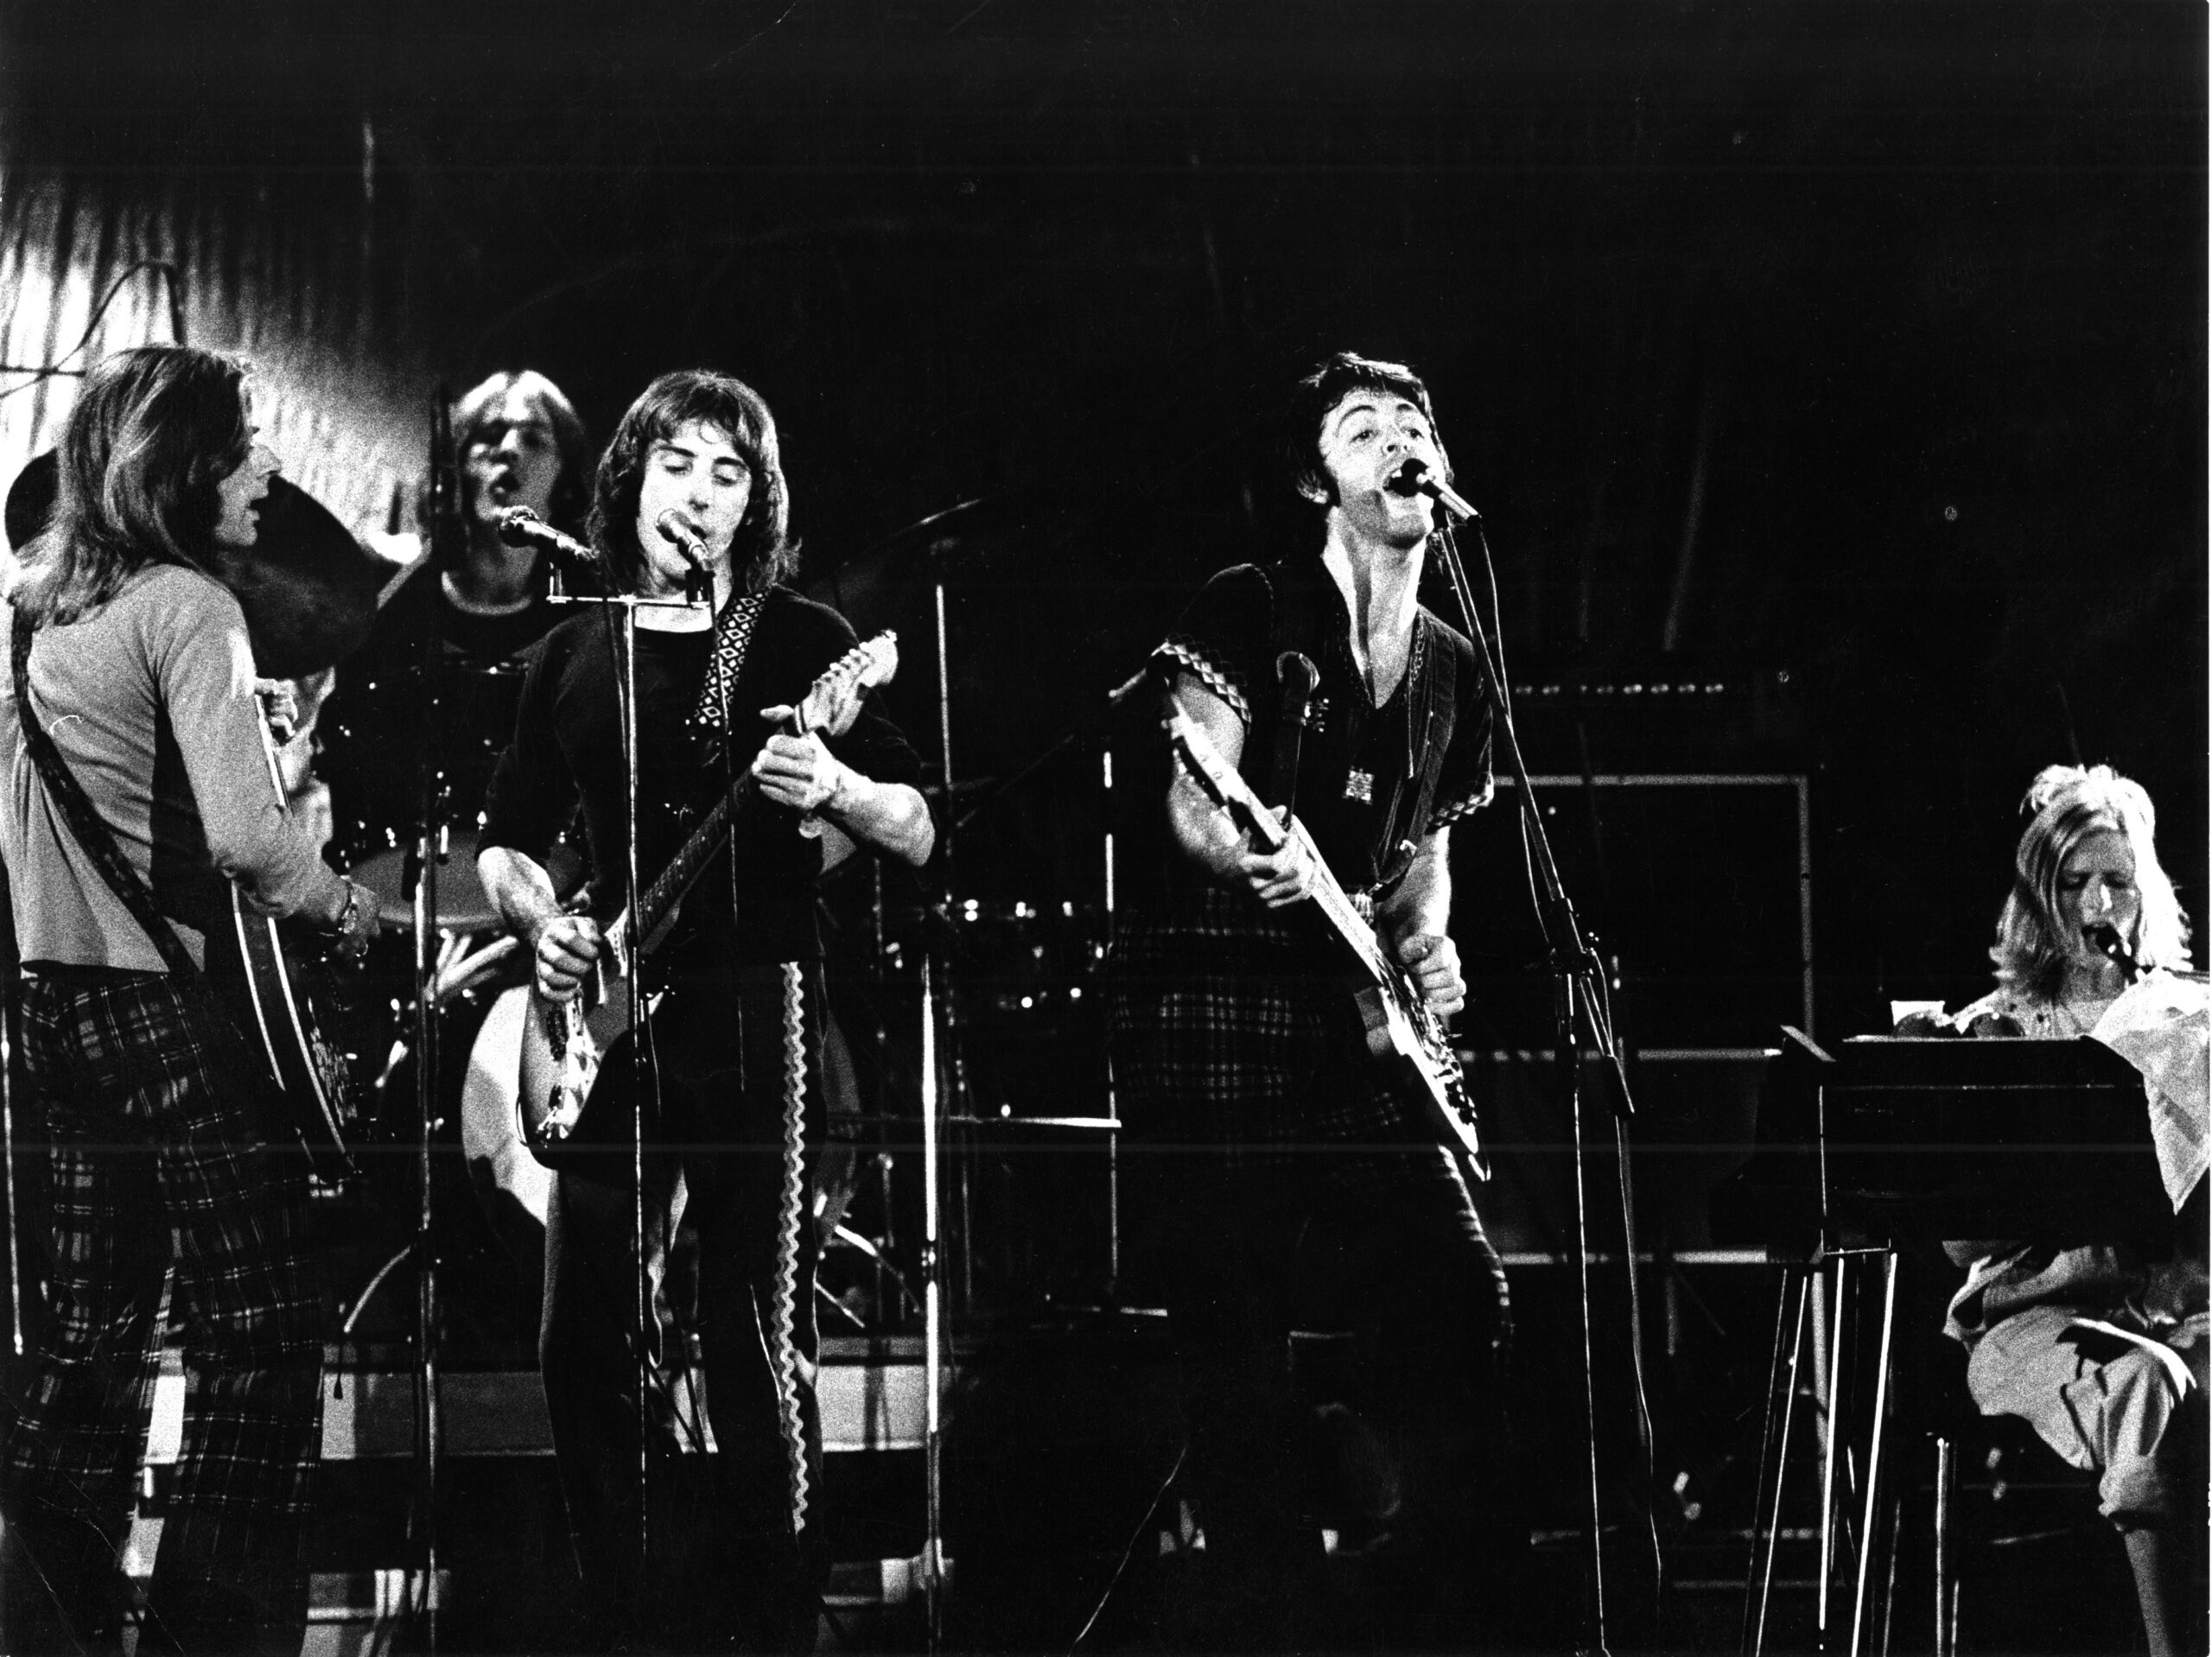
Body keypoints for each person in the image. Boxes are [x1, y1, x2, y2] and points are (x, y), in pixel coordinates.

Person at [477, 368, 932, 1652]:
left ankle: (779, 1615)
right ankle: (622, 1609)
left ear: (755, 506)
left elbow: (919, 823)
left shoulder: (794, 638)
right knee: (582, 1340)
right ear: (632, 477)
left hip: (754, 1006)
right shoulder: (572, 648)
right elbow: (508, 841)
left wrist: (836, 779)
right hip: (608, 1021)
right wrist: (544, 925)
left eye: (732, 474)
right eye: (682, 461)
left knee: (751, 1335)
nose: (704, 493)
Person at [1109, 352, 1516, 1651]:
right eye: (1365, 428)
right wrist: (1254, 855)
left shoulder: (1455, 660)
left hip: (1363, 1033)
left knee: (1463, 1305)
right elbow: (1193, 785)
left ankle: (1437, 1600)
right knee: (1239, 1362)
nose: (1401, 443)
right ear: (1315, 477)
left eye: (1416, 423)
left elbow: (1425, 852)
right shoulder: (1254, 604)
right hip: (1220, 1011)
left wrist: (1432, 947)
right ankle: (1272, 1621)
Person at [0, 344, 378, 1654]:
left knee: (90, 1346)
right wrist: (349, 906)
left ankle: (49, 1628)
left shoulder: (28, 614)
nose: (269, 468)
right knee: (259, 1337)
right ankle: (214, 1637)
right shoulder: (186, 605)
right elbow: (250, 846)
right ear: (186, 465)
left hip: (52, 1019)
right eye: (248, 446)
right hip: (167, 1021)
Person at [1909, 764, 2206, 1657]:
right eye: (2075, 883)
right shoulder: (1995, 1030)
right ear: (2040, 900)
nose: (2097, 901)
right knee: (2149, 1385)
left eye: (2116, 879)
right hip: (2033, 1320)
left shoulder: (2183, 1023)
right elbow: (1962, 1239)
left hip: (2170, 1301)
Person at [317, 367, 594, 865]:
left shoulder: (590, 611)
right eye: (487, 436)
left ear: (565, 478)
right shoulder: (388, 597)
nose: (507, 450)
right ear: (457, 465)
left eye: (532, 439)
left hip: (545, 882)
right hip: (403, 875)